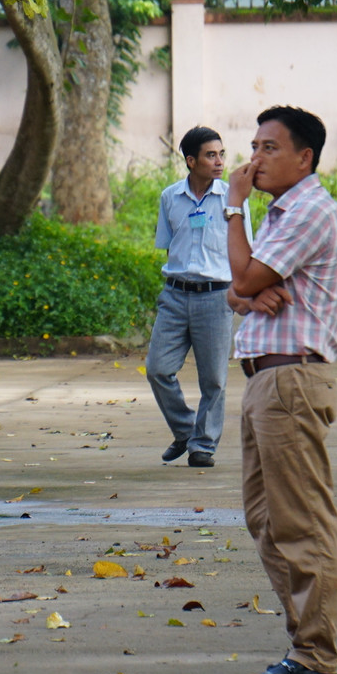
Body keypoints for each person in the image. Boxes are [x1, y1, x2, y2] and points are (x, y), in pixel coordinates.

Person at [224, 105, 337, 674]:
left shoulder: (308, 211)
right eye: (253, 146)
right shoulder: (279, 215)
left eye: (269, 148)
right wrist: (247, 294)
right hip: (265, 380)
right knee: (265, 518)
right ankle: (306, 642)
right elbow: (238, 287)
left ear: (306, 157)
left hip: (291, 380)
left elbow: (246, 277)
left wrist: (232, 210)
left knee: (302, 521)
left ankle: (315, 654)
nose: (254, 159)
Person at [146, 126, 251, 468]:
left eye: (221, 153)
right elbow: (168, 247)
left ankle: (202, 445)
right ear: (191, 161)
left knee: (214, 379)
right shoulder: (170, 197)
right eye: (211, 155)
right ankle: (185, 428)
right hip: (175, 296)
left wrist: (241, 292)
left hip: (216, 296)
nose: (219, 161)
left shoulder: (234, 202)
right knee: (158, 369)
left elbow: (244, 251)